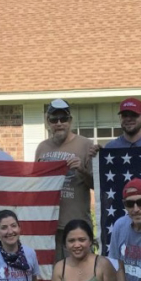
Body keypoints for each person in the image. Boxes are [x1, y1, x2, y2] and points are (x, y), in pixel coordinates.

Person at [35, 99, 94, 260]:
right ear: (48, 122)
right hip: (50, 224)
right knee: (54, 275)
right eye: (54, 119)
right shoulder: (42, 148)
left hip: (77, 226)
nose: (59, 123)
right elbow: (37, 187)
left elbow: (98, 186)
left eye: (63, 119)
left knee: (80, 274)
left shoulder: (86, 145)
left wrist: (81, 169)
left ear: (70, 120)